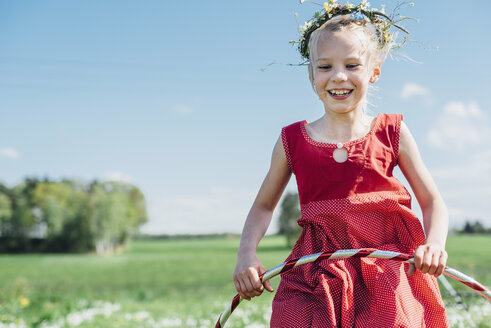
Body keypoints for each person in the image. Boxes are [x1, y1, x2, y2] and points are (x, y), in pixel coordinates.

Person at [233, 2, 449, 327]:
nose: (338, 76)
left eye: (352, 65)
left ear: (374, 70)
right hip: (315, 276)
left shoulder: (393, 132)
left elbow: (433, 202)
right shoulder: (292, 140)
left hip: (385, 272)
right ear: (310, 73)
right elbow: (264, 206)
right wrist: (246, 253)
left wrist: (434, 245)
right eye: (324, 66)